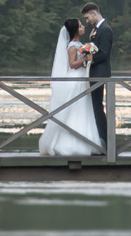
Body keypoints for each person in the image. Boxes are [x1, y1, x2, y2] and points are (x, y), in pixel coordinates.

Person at [42, 15, 100, 155]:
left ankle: (85, 140)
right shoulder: (73, 46)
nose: (83, 27)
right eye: (80, 26)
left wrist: (87, 58)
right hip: (75, 80)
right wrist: (85, 58)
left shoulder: (79, 45)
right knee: (75, 110)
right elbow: (72, 64)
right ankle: (69, 143)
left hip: (81, 78)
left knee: (83, 109)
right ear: (74, 30)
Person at [78, 3, 114, 146]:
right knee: (95, 106)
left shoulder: (105, 30)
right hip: (94, 72)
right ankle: (98, 138)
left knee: (97, 106)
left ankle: (104, 140)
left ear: (94, 13)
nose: (87, 21)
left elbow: (104, 53)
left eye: (87, 18)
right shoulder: (95, 30)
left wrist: (89, 58)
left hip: (100, 73)